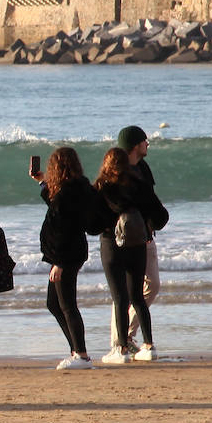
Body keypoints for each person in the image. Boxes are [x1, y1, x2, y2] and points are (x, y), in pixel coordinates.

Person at [94, 147, 166, 363]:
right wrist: (147, 225)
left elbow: (92, 223)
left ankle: (121, 350)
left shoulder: (101, 187)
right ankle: (149, 347)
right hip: (138, 244)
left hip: (111, 244)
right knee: (137, 297)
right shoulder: (139, 185)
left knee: (119, 298)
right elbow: (161, 215)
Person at [31, 147, 99, 370]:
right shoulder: (76, 188)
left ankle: (82, 354)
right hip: (70, 251)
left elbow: (64, 227)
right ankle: (76, 351)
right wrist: (42, 183)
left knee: (67, 304)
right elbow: (55, 204)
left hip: (66, 255)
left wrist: (59, 262)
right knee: (54, 304)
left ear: (56, 167)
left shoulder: (69, 192)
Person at [110, 125, 167, 355]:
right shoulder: (116, 171)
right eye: (145, 141)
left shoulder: (143, 168)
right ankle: (120, 341)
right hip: (123, 241)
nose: (148, 144)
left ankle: (127, 335)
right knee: (122, 294)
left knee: (151, 286)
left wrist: (153, 224)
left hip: (145, 237)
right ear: (135, 145)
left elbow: (150, 202)